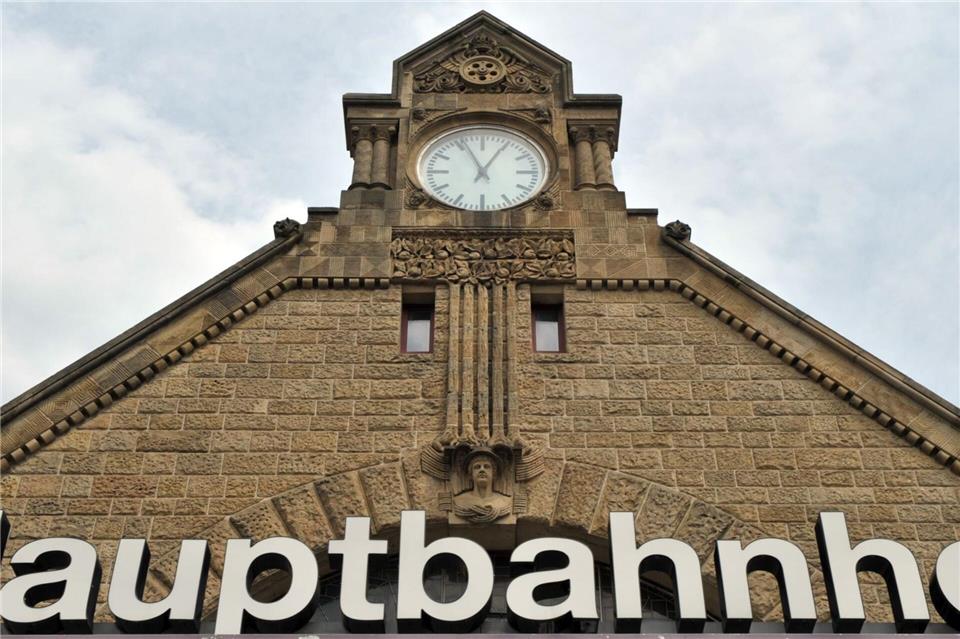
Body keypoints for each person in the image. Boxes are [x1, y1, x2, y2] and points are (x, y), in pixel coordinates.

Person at [453, 450, 513, 523]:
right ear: (470, 475)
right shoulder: (459, 501)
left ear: (494, 474)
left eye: (486, 466)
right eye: (477, 467)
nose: (482, 469)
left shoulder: (505, 501)